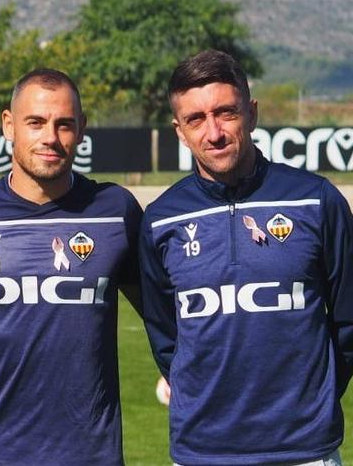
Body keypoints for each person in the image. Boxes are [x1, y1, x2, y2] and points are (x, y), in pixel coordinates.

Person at [139, 49, 353, 465]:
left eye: (226, 113)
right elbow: (166, 338)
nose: (213, 132)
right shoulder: (161, 221)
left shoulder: (316, 200)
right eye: (195, 119)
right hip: (202, 451)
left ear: (251, 114)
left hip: (305, 451)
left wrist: (314, 399)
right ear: (179, 131)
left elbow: (348, 320)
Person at [0, 68, 143, 465]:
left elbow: (165, 313)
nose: (50, 137)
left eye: (64, 124)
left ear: (82, 128)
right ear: (8, 125)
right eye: (36, 122)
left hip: (90, 456)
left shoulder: (116, 211)